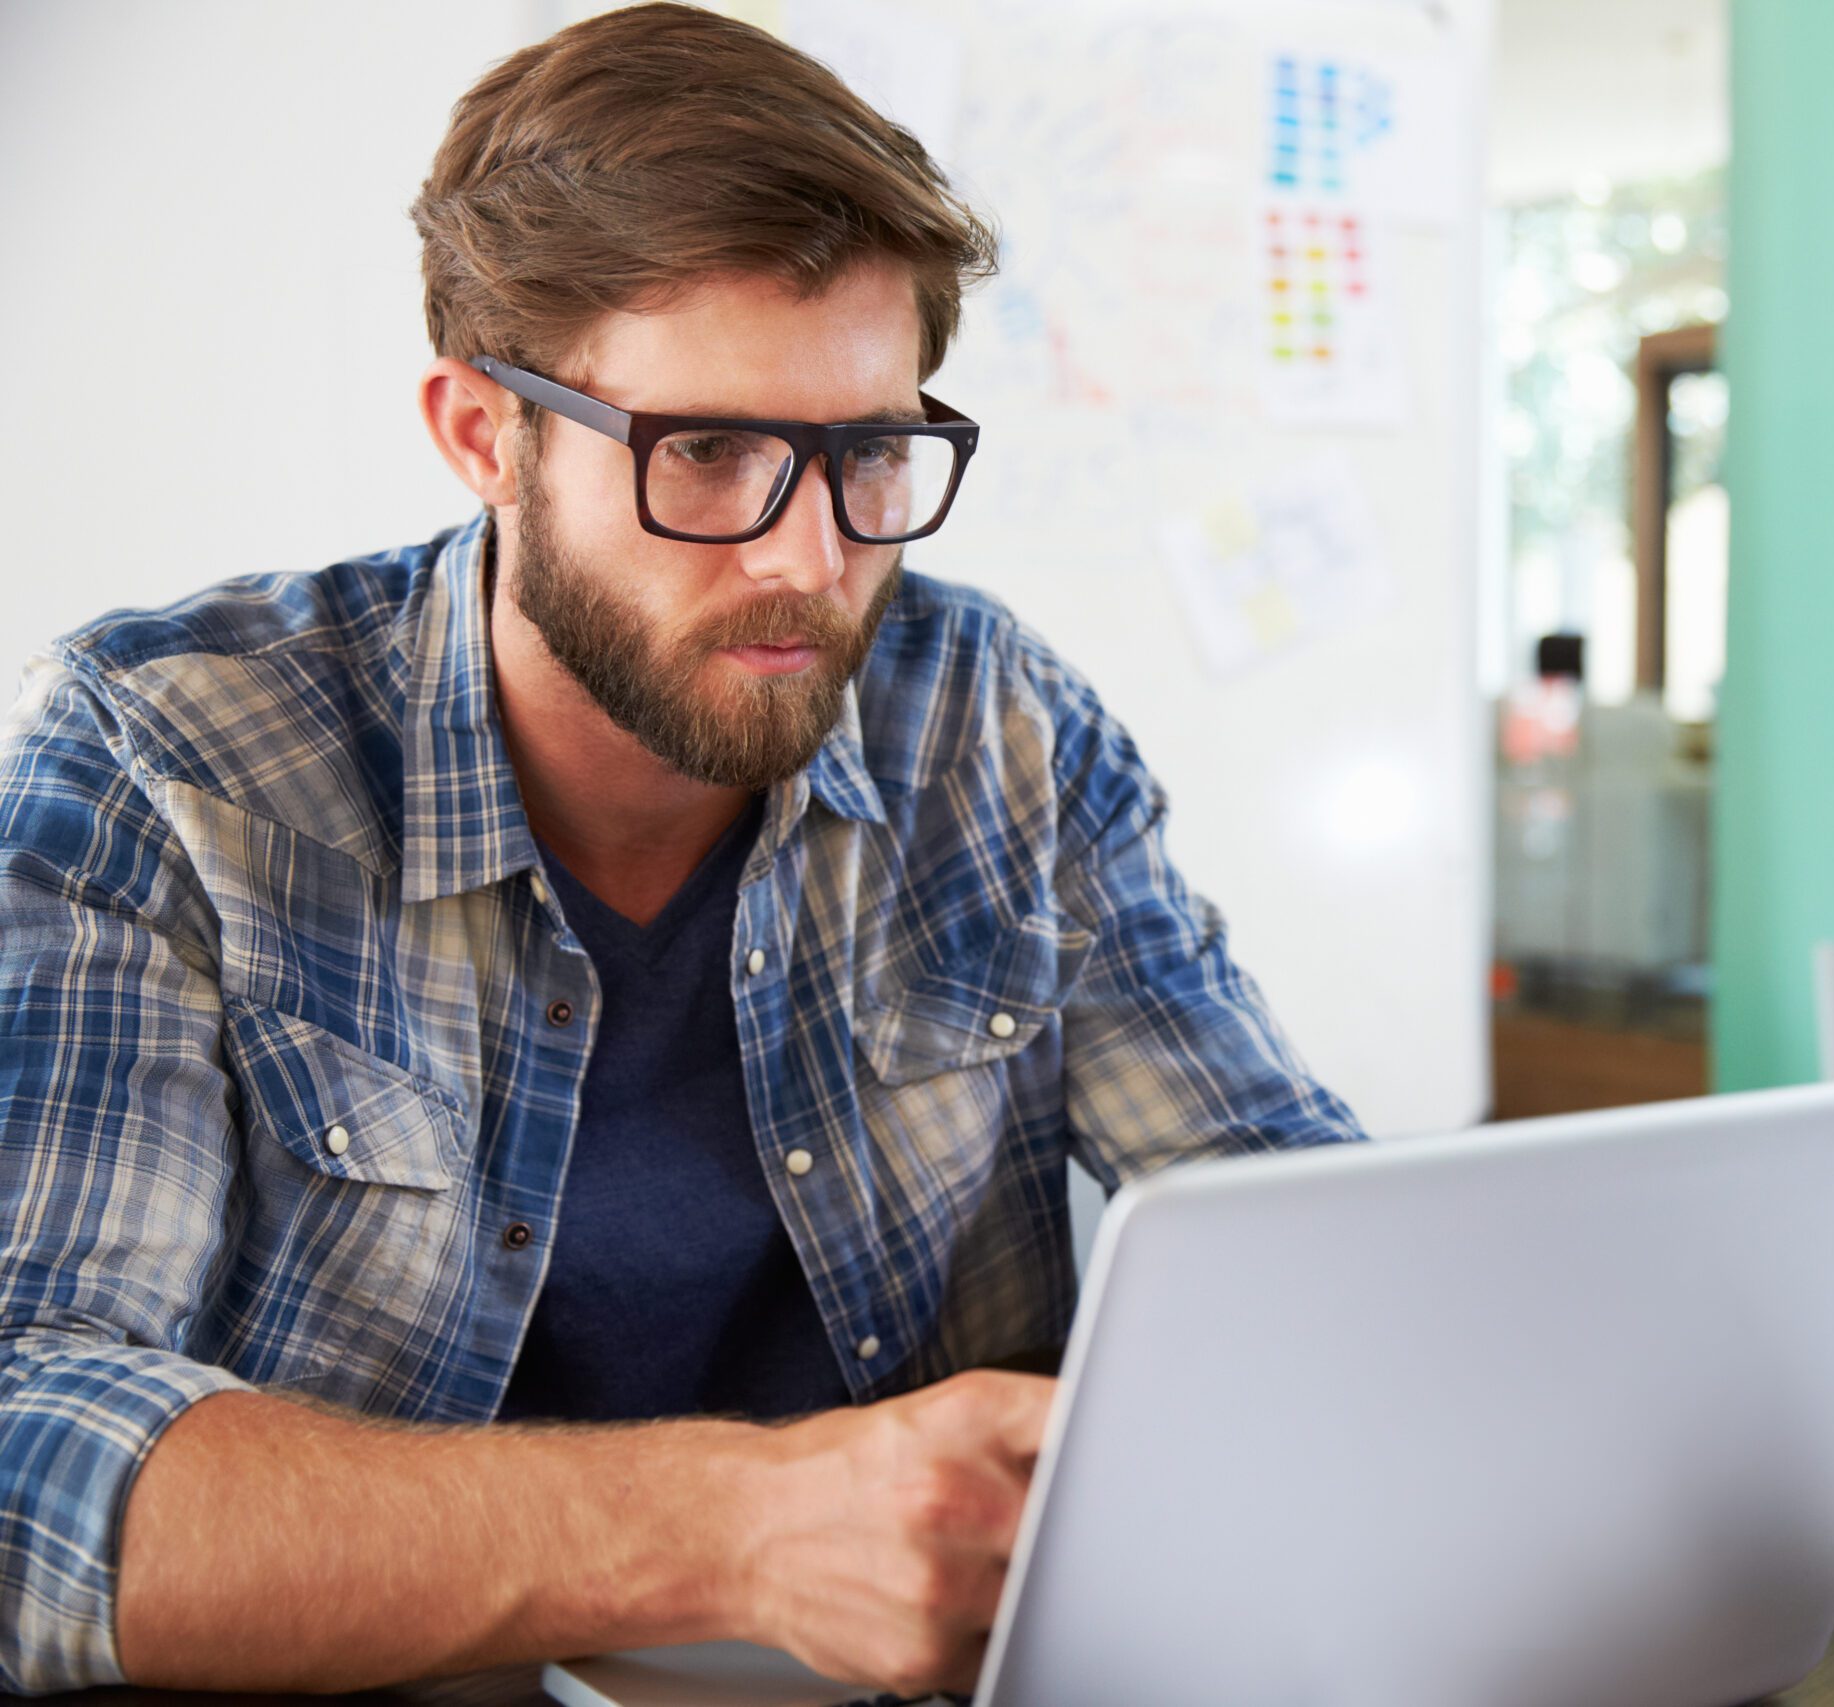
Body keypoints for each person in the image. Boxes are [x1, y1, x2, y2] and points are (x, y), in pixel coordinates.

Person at [0, 6, 1364, 1697]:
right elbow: (25, 1450)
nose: (808, 558)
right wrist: (738, 1524)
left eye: (870, 452)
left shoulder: (997, 726)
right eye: (708, 454)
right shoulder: (170, 755)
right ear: (483, 436)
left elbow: (1300, 1228)